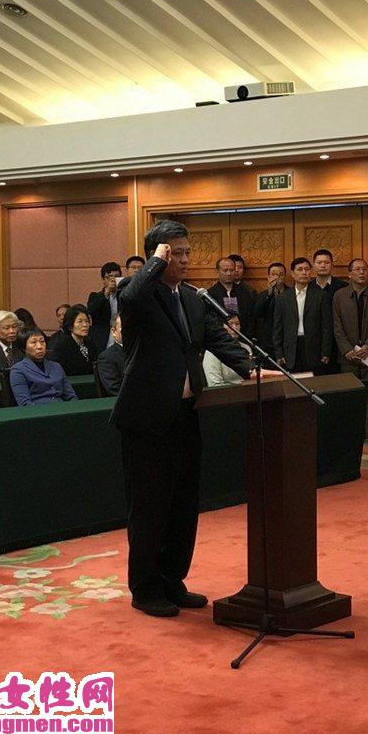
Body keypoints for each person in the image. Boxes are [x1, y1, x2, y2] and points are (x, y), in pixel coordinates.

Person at [113, 219, 278, 618]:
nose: (186, 259)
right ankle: (145, 588)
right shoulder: (136, 292)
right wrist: (155, 262)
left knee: (183, 504)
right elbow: (131, 298)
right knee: (150, 505)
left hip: (187, 413)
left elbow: (218, 339)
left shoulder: (192, 297)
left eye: (188, 251)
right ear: (159, 255)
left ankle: (173, 580)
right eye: (177, 253)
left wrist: (249, 369)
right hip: (146, 418)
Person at [333, 258, 368, 446]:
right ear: (349, 274)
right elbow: (337, 327)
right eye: (357, 269)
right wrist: (346, 349)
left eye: (364, 269)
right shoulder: (339, 296)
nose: (361, 272)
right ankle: (351, 431)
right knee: (350, 394)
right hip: (348, 356)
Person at [273, 257, 332, 374]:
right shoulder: (283, 298)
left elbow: (327, 326)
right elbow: (277, 328)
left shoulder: (321, 295)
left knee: (314, 382)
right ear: (292, 274)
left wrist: (326, 351)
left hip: (314, 349)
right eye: (300, 269)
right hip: (291, 350)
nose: (304, 272)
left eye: (307, 269)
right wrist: (279, 353)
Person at [10, 326, 77, 406]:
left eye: (42, 341)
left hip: (63, 408)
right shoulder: (18, 370)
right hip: (38, 411)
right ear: (24, 347)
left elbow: (71, 396)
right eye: (33, 342)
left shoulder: (56, 366)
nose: (40, 346)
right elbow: (25, 404)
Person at [312, 249, 348, 374]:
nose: (323, 265)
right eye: (319, 262)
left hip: (338, 343)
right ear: (313, 265)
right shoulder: (307, 287)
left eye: (326, 262)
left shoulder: (343, 287)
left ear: (332, 265)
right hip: (314, 343)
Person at [207, 257, 255, 337]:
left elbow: (250, 316)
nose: (229, 273)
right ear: (217, 271)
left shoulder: (244, 292)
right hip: (220, 338)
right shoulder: (211, 294)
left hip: (243, 336)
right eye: (225, 270)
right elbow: (210, 320)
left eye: (232, 270)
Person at [253, 262, 289, 363]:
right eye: (274, 274)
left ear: (285, 277)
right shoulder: (263, 295)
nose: (277, 277)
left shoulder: (291, 293)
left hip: (287, 339)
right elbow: (257, 313)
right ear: (268, 277)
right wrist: (269, 294)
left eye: (280, 275)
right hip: (268, 340)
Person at [203, 314, 251, 386]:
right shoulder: (212, 351)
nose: (234, 328)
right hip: (225, 391)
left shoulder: (246, 347)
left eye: (237, 324)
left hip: (247, 389)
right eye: (230, 324)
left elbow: (251, 376)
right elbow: (214, 384)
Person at [49, 306, 97, 376]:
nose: (85, 325)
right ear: (70, 326)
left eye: (87, 321)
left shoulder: (91, 344)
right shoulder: (62, 347)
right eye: (80, 321)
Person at [87, 262, 122, 352]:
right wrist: (107, 292)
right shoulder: (95, 296)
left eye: (116, 276)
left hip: (121, 336)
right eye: (109, 277)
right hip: (102, 339)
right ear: (103, 280)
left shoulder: (124, 296)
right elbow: (91, 311)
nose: (113, 279)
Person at [96, 315, 125, 396]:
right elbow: (114, 389)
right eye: (123, 327)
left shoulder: (144, 352)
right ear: (113, 331)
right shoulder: (106, 357)